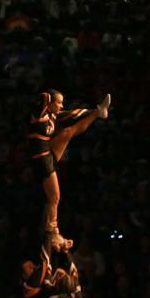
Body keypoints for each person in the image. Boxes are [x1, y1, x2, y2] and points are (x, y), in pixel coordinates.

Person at [27, 89, 111, 251]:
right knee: (55, 197)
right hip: (40, 160)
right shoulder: (38, 115)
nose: (61, 105)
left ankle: (99, 112)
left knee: (68, 131)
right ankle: (53, 233)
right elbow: (43, 97)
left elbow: (73, 114)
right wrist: (47, 98)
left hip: (48, 153)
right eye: (58, 102)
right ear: (50, 103)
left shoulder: (53, 116)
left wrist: (94, 111)